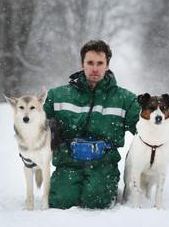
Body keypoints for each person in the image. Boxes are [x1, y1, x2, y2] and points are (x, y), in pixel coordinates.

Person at [43, 40, 140, 209]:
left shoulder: (126, 99)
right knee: (60, 202)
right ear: (82, 64)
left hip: (103, 165)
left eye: (100, 63)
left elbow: (145, 130)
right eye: (90, 63)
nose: (95, 68)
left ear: (107, 65)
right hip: (67, 163)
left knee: (97, 201)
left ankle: (106, 188)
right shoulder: (57, 95)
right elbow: (28, 122)